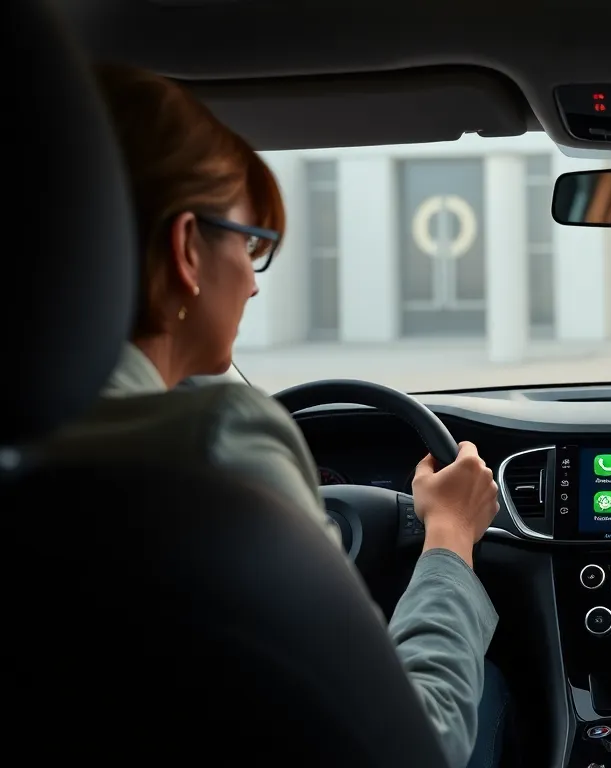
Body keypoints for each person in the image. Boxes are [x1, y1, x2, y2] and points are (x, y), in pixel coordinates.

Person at [46, 63, 509, 768]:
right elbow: (424, 741)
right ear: (186, 250)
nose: (254, 284)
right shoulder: (216, 441)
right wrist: (448, 536)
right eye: (250, 243)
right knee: (492, 691)